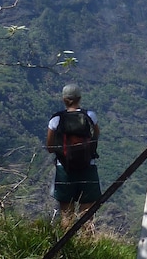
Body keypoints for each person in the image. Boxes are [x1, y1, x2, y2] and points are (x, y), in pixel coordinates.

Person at [46, 83, 101, 229]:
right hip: (88, 168)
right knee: (87, 214)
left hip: (64, 169)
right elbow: (96, 136)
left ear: (64, 99)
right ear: (79, 98)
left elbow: (50, 148)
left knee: (66, 215)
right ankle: (88, 247)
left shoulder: (56, 120)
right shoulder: (89, 116)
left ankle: (67, 247)